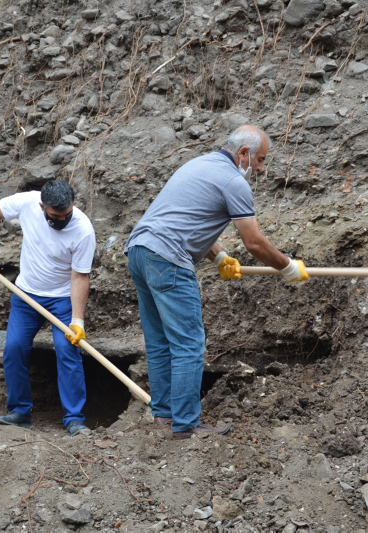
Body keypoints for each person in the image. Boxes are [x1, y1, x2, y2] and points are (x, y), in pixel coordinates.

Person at [124, 125, 309, 440]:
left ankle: (165, 417)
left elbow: (187, 219)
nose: (262, 169)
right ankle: (186, 426)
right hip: (168, 259)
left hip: (139, 252)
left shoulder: (198, 165)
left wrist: (220, 256)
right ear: (243, 153)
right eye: (261, 160)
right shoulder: (233, 181)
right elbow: (253, 242)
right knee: (188, 345)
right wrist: (287, 265)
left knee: (160, 342)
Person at [0, 180, 96, 437]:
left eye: (67, 214)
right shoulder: (27, 202)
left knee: (67, 350)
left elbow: (80, 277)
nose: (62, 219)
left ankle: (74, 418)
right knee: (14, 347)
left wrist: (77, 321)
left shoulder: (83, 230)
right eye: (55, 215)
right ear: (42, 206)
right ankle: (20, 411)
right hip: (26, 294)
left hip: (62, 298)